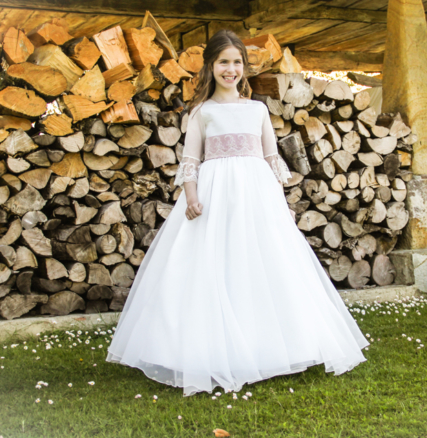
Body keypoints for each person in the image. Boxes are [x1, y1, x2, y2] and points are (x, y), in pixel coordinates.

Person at [106, 29, 369, 397]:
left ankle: (268, 346)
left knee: (260, 263)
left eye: (236, 63)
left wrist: (279, 202)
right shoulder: (202, 112)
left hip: (256, 195)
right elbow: (190, 160)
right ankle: (212, 349)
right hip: (214, 196)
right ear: (210, 67)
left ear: (244, 67)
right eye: (223, 62)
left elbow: (271, 158)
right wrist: (192, 196)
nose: (230, 69)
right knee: (214, 263)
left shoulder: (257, 109)